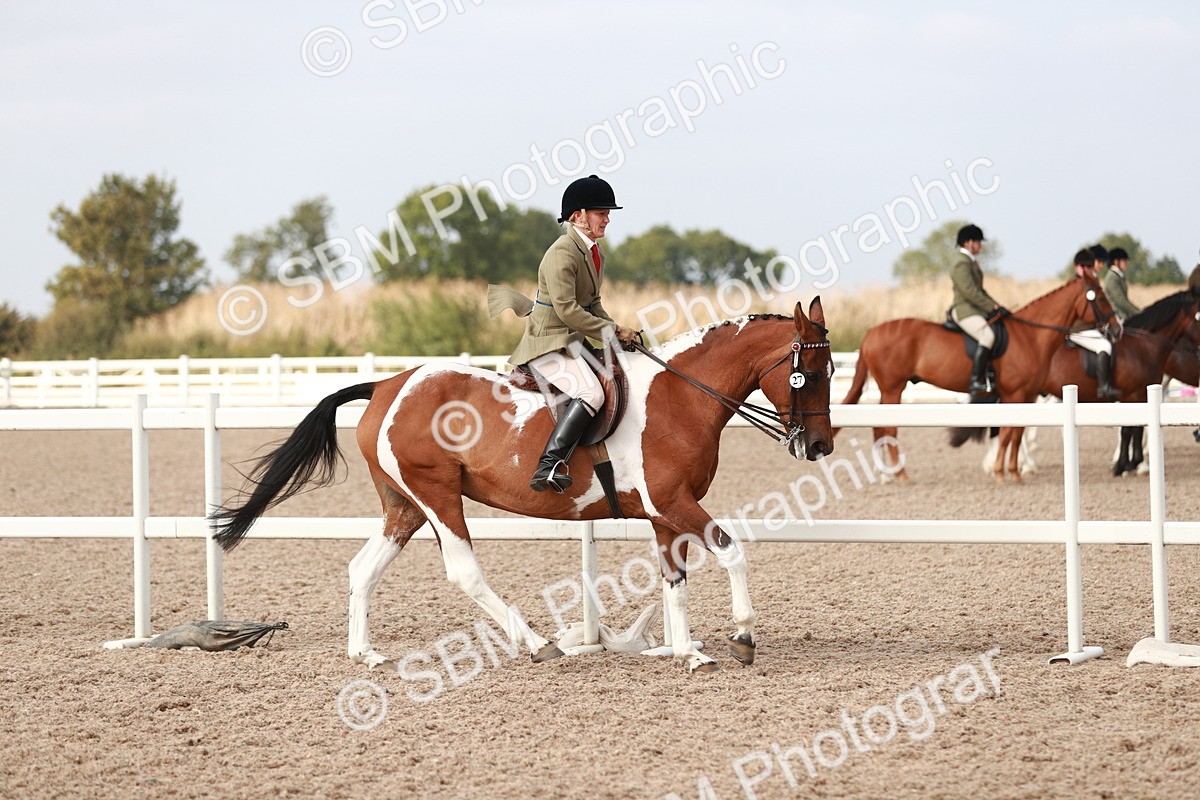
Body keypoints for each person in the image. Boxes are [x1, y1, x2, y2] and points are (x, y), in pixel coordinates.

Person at [488, 174, 638, 493]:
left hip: (573, 342)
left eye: (607, 213)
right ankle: (549, 464)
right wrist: (612, 330)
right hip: (548, 343)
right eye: (601, 213)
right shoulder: (561, 253)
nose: (607, 219)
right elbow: (568, 310)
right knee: (591, 393)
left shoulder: (595, 253)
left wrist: (617, 334)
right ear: (577, 216)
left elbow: (593, 303)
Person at [949, 223, 1009, 397]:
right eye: (978, 242)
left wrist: (997, 306)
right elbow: (969, 291)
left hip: (975, 308)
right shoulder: (961, 262)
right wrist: (991, 307)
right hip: (964, 309)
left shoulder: (970, 261)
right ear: (968, 243)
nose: (980, 246)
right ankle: (975, 380)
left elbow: (980, 291)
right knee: (987, 336)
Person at [1066, 246, 1120, 399]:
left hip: (1087, 328)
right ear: (1076, 267)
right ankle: (1103, 386)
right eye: (1083, 266)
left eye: (1089, 266)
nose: (1086, 269)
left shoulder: (1088, 283)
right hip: (1076, 330)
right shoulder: (1074, 284)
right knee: (1105, 346)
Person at [1102, 246, 1141, 322]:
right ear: (1116, 262)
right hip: (1117, 317)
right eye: (1124, 261)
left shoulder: (1118, 276)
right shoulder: (1112, 278)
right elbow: (1120, 301)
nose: (1126, 263)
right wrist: (1138, 313)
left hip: (1122, 315)